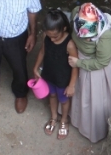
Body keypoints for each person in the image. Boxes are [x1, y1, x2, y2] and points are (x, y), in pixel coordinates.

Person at [68, 3, 111, 143]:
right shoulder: (76, 12)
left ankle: (96, 130)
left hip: (95, 67)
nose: (88, 40)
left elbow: (102, 62)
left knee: (95, 99)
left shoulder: (106, 35)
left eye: (90, 37)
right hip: (78, 58)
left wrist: (78, 63)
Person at [32, 9, 79, 140]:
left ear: (64, 28)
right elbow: (42, 52)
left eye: (55, 36)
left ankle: (64, 120)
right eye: (49, 36)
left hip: (63, 78)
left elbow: (75, 66)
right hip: (49, 74)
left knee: (63, 100)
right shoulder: (46, 37)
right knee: (51, 95)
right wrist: (35, 68)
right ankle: (54, 117)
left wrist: (71, 85)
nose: (52, 39)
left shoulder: (69, 44)